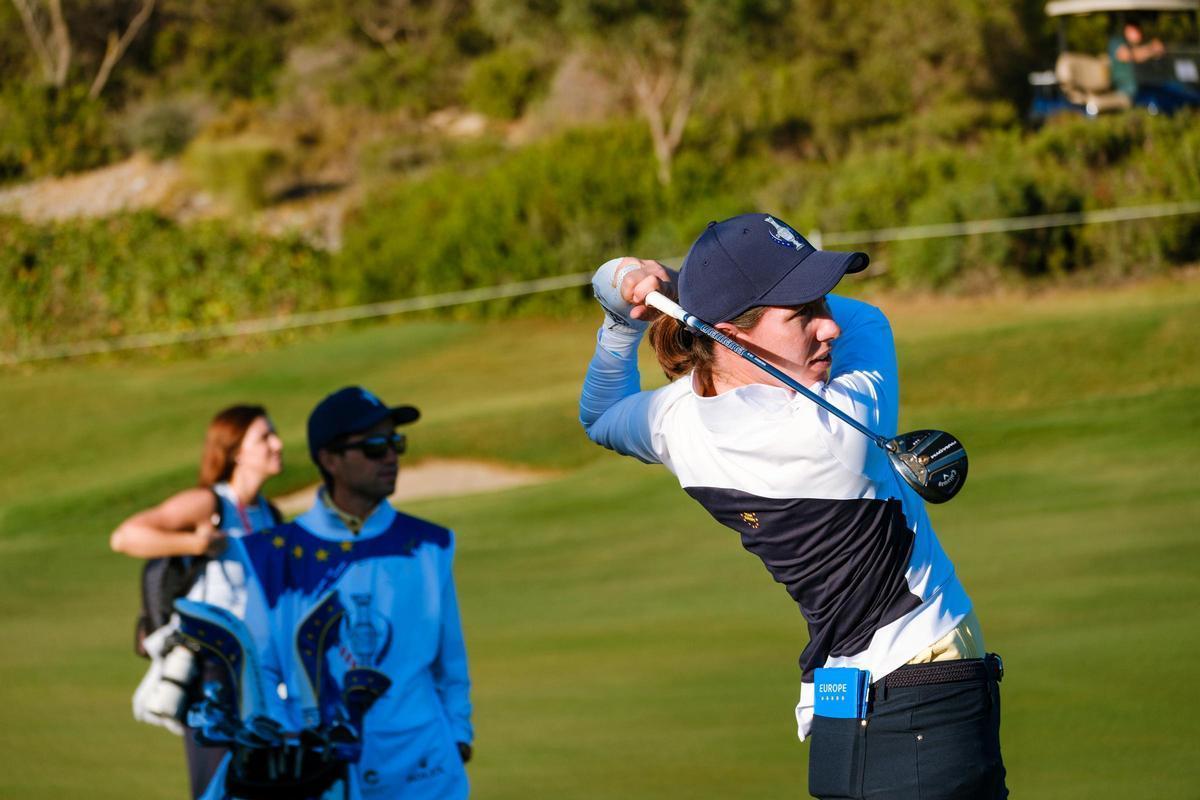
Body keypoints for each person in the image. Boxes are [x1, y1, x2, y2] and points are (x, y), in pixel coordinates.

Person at [579, 214, 1006, 799]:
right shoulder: (837, 426)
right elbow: (868, 319)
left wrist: (621, 311)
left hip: (850, 722)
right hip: (925, 710)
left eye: (821, 302)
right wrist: (682, 288)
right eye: (802, 312)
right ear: (730, 334)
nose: (829, 325)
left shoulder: (674, 421)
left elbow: (601, 413)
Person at [237, 386, 473, 800]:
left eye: (396, 443)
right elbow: (261, 669)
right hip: (317, 773)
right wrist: (287, 744)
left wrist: (459, 735)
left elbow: (449, 660)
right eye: (374, 447)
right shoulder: (273, 554)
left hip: (424, 770)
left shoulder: (430, 544)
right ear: (330, 459)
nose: (391, 456)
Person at [110, 404, 284, 799]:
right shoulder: (210, 503)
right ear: (235, 451)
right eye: (264, 437)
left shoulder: (270, 515)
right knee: (217, 787)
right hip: (212, 670)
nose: (277, 444)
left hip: (260, 673)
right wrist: (196, 543)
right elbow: (126, 536)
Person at [1109, 19, 1166, 98]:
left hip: (1143, 89)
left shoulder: (1139, 44)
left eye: (1139, 31)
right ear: (1127, 30)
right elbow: (1131, 55)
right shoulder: (1116, 41)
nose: (1139, 34)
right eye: (1135, 31)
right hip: (1125, 91)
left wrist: (1157, 51)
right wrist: (1151, 49)